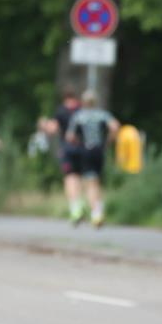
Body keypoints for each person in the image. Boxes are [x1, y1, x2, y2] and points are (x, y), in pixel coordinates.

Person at [66, 90, 120, 226]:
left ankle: (95, 213)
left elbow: (70, 136)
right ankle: (97, 212)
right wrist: (108, 141)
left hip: (85, 150)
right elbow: (115, 126)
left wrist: (78, 143)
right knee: (96, 181)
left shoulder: (79, 116)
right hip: (98, 150)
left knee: (89, 183)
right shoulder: (102, 114)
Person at [50, 89, 85, 223]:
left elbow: (52, 129)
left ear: (65, 97)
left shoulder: (61, 111)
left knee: (70, 179)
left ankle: (75, 209)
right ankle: (81, 204)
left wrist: (46, 127)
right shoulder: (82, 109)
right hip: (83, 149)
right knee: (81, 178)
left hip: (68, 149)